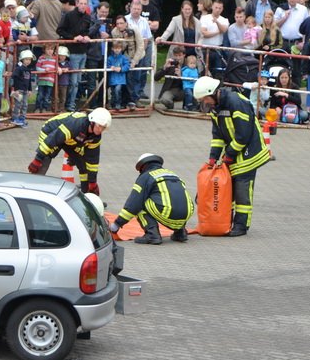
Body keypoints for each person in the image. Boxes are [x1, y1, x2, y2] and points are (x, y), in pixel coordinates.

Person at [192, 76, 270, 236]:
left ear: (213, 93)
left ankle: (241, 226)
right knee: (229, 188)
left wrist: (228, 155)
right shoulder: (216, 107)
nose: (204, 103)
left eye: (205, 99)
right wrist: (213, 158)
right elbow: (218, 135)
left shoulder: (236, 103)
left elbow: (243, 135)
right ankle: (226, 222)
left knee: (242, 189)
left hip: (250, 152)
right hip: (236, 150)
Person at [108, 153, 194, 244]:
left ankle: (152, 235)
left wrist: (116, 224)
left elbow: (133, 204)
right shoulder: (172, 174)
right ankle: (180, 233)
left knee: (140, 203)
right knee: (176, 201)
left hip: (168, 213)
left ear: (142, 166)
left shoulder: (145, 176)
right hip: (186, 214)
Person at [27, 107, 112, 194]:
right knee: (45, 158)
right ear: (92, 122)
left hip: (70, 140)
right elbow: (54, 139)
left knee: (83, 163)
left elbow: (92, 161)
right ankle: (32, 190)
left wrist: (92, 182)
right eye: (99, 126)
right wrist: (37, 159)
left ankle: (86, 194)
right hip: (51, 132)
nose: (100, 130)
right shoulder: (76, 125)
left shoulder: (96, 137)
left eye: (103, 128)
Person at [11, 49, 34, 127]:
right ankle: (15, 118)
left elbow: (29, 80)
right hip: (19, 90)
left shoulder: (28, 70)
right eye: (26, 59)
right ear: (22, 59)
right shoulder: (19, 69)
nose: (28, 61)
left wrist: (30, 90)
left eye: (29, 59)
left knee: (25, 104)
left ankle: (22, 118)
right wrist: (16, 89)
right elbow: (14, 77)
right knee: (18, 104)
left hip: (25, 90)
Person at [106, 41, 131, 110]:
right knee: (113, 92)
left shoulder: (124, 58)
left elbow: (127, 66)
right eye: (115, 48)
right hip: (112, 79)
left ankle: (118, 104)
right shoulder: (109, 58)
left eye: (119, 48)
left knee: (118, 90)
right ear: (112, 49)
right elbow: (107, 66)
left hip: (120, 79)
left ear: (121, 49)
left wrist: (121, 69)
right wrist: (110, 67)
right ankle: (113, 104)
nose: (117, 50)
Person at [34, 43, 58, 113]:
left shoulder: (55, 58)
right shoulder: (41, 58)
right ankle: (37, 108)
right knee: (40, 95)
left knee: (47, 96)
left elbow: (57, 67)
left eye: (52, 49)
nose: (50, 51)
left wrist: (59, 69)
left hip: (50, 80)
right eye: (48, 49)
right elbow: (37, 68)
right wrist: (44, 70)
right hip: (42, 80)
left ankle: (45, 108)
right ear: (44, 50)